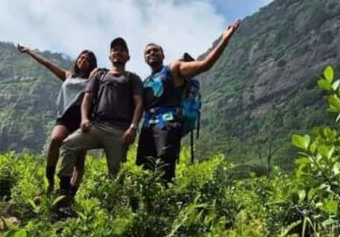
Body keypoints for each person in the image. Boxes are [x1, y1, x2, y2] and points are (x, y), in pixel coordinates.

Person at [136, 19, 242, 182]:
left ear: (163, 54)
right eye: (148, 52)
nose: (151, 53)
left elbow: (205, 65)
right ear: (144, 59)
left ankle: (167, 198)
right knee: (143, 171)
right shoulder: (145, 82)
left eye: (155, 50)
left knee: (165, 168)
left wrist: (225, 39)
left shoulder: (174, 68)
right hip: (147, 128)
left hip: (168, 125)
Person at [55, 37, 143, 200]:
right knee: (69, 144)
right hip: (96, 126)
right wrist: (84, 119)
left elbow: (139, 104)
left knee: (116, 173)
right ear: (109, 56)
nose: (117, 52)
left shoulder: (133, 78)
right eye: (114, 50)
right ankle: (65, 192)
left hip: (119, 131)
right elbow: (87, 99)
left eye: (121, 50)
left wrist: (133, 127)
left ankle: (114, 205)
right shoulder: (100, 76)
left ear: (128, 56)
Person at [17, 44, 98, 193]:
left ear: (91, 64)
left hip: (82, 119)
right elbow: (47, 64)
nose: (83, 60)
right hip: (65, 116)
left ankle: (70, 193)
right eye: (81, 57)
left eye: (87, 59)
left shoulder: (93, 80)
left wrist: (97, 73)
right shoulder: (68, 76)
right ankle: (50, 180)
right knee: (56, 139)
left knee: (79, 161)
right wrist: (29, 51)